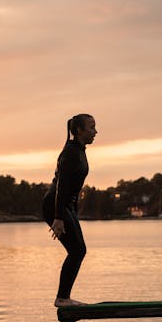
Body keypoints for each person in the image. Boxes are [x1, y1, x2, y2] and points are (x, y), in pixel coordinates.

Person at [42, 114, 97, 308]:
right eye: (91, 128)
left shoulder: (79, 150)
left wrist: (74, 213)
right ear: (80, 130)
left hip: (65, 206)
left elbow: (75, 187)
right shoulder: (71, 152)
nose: (95, 132)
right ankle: (63, 298)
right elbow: (62, 186)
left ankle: (64, 297)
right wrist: (59, 217)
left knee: (78, 250)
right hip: (55, 205)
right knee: (77, 250)